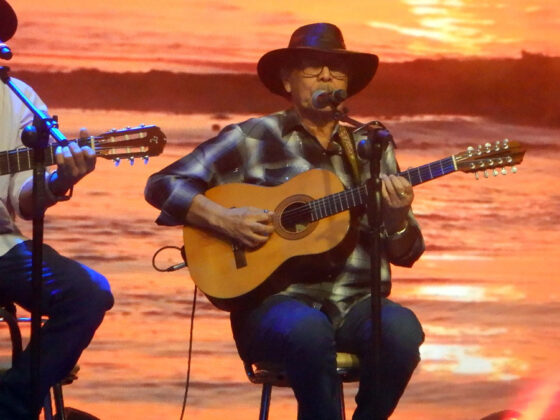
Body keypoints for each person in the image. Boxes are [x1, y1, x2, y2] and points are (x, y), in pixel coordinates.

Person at [146, 23, 424, 420]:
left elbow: (408, 251)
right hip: (274, 306)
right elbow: (163, 184)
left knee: (402, 333)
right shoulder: (252, 137)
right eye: (313, 68)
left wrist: (396, 217)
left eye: (337, 70)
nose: (327, 77)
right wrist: (225, 220)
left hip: (357, 304)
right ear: (287, 80)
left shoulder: (372, 147)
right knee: (308, 332)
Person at [0, 1, 114, 418]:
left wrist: (60, 180)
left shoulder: (18, 99)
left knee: (89, 292)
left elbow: (22, 201)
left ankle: (10, 405)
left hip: (1, 249)